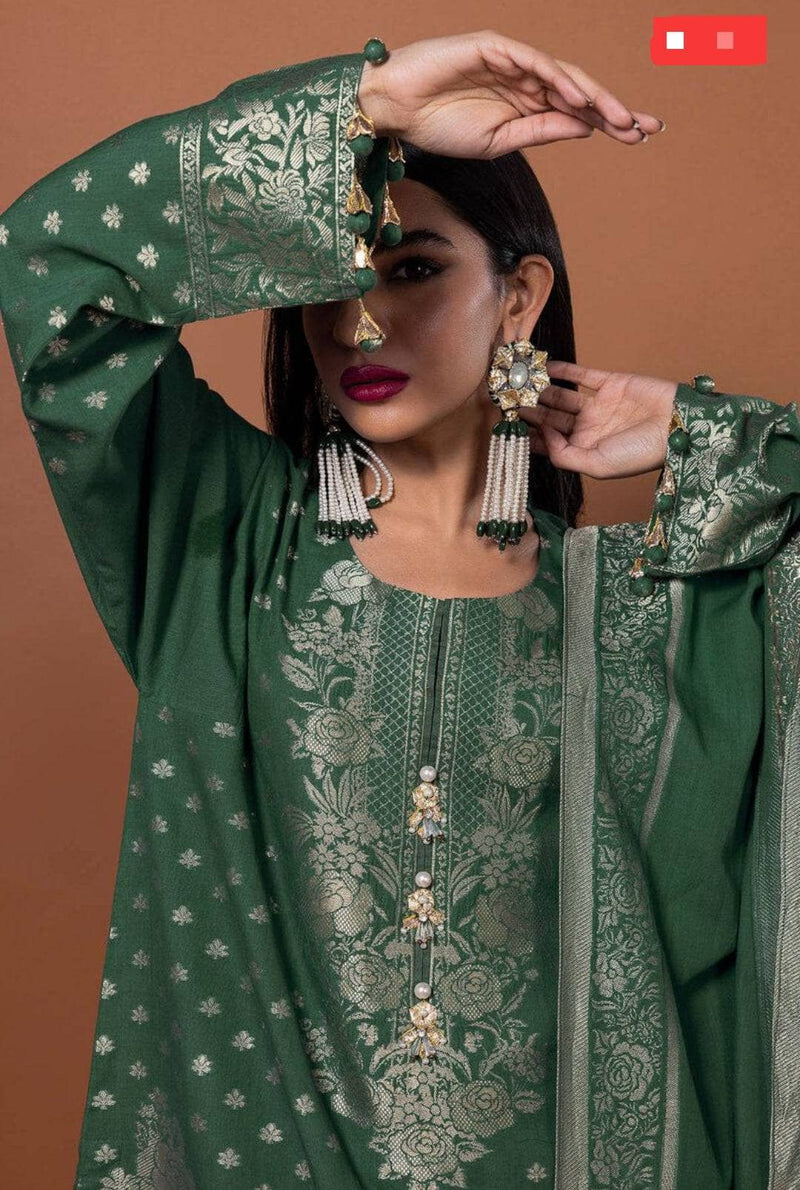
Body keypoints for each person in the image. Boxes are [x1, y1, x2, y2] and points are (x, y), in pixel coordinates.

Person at [0, 29, 798, 1190]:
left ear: (518, 296)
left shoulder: (634, 616)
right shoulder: (224, 540)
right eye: (332, 279)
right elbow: (50, 264)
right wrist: (361, 107)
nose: (358, 323)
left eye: (412, 269)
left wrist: (706, 433)